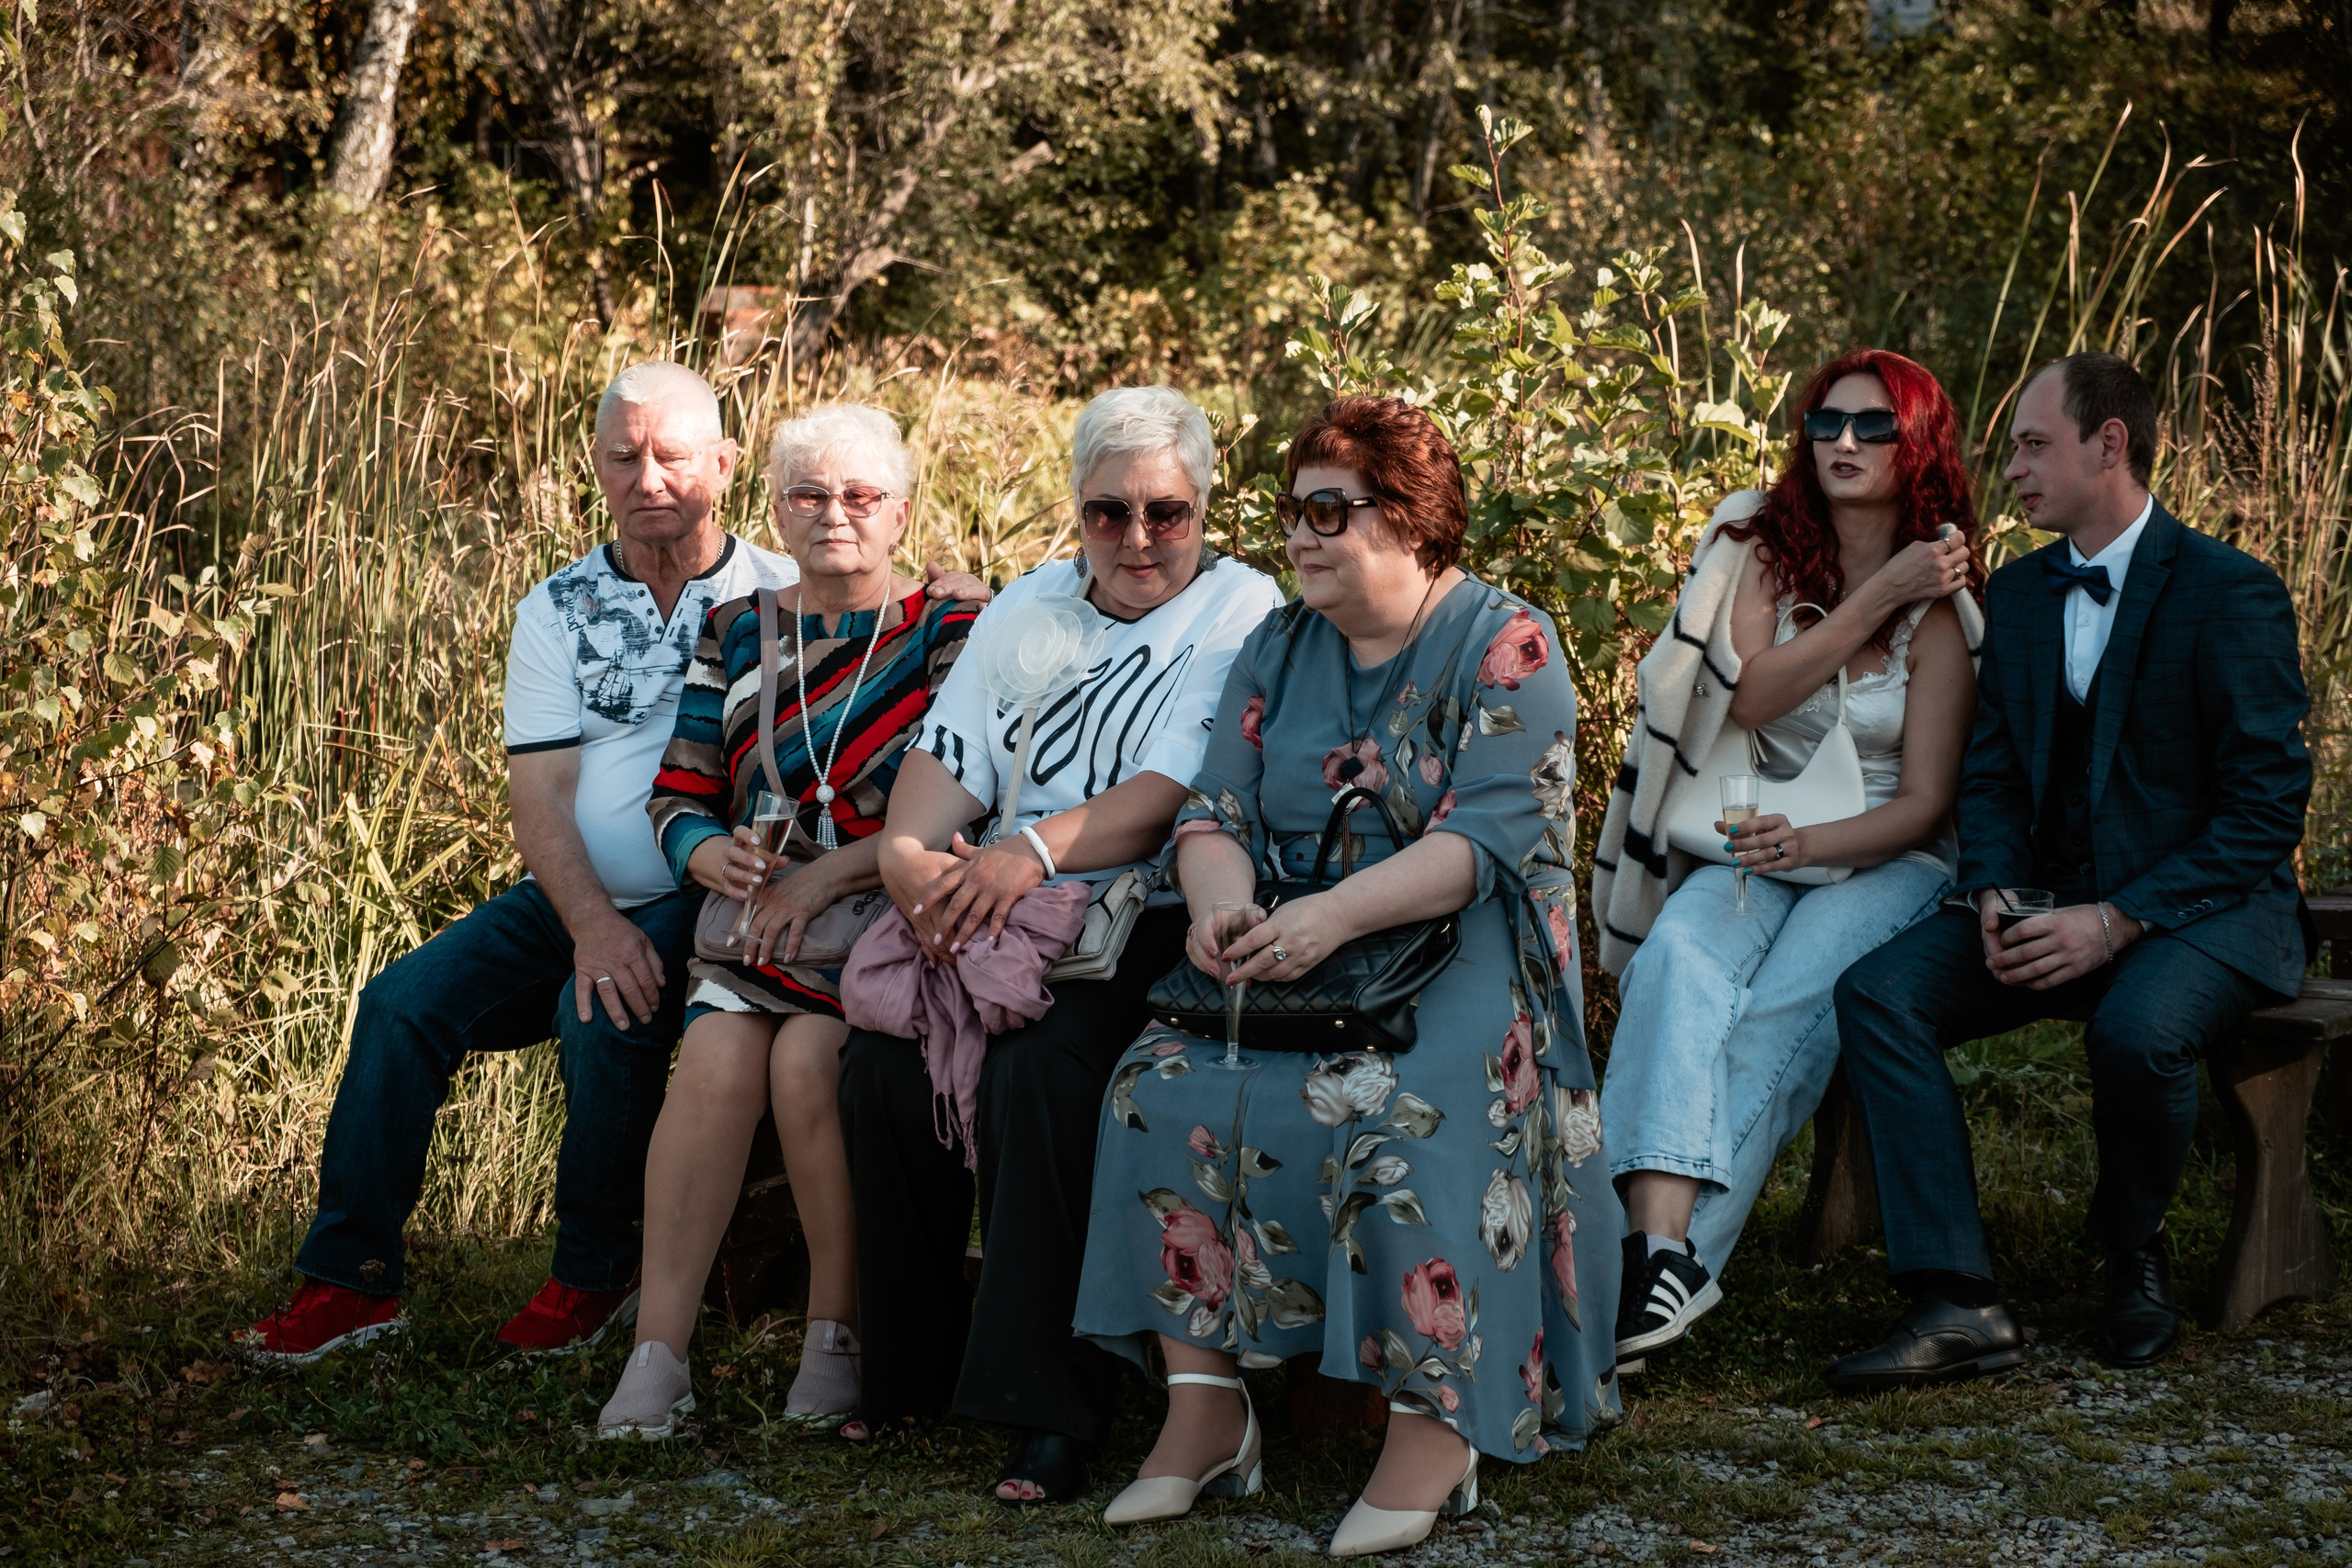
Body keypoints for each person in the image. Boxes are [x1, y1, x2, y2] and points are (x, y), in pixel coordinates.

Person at [234, 364, 982, 1364]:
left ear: (722, 467)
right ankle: (350, 1282)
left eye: (673, 457)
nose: (650, 480)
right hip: (576, 892)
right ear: (596, 464)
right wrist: (589, 921)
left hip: (707, 891)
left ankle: (595, 1276)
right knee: (400, 1003)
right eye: (625, 458)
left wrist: (961, 586)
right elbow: (539, 797)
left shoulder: (777, 581)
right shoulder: (559, 606)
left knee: (603, 1011)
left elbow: (881, 583)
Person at [1071, 395, 1622, 1558]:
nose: (1302, 536)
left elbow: (1479, 843)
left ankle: (1438, 1419)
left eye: (1331, 510)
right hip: (1290, 943)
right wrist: (1223, 913)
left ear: (1412, 521)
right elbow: (1212, 811)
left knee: (1402, 1112)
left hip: (1457, 945)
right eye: (1293, 511)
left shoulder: (1504, 640)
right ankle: (1204, 1408)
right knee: (1152, 1080)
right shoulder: (1277, 644)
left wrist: (1324, 918)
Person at [1827, 351, 2310, 1390]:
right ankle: (1957, 1298)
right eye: (2011, 449)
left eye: (2032, 445)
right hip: (2048, 899)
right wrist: (1996, 889)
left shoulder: (2231, 591)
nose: (2010, 470)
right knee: (1877, 995)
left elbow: (2266, 811)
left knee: (2136, 1034)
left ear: (2110, 444)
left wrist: (2121, 918)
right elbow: (1991, 772)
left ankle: (2131, 1255)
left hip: (2204, 912)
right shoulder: (2026, 592)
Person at [838, 385, 1283, 1503]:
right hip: (1003, 902)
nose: (1138, 539)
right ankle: (909, 1371)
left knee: (1044, 1073)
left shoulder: (1242, 609)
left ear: (1204, 506)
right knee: (883, 1066)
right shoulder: (1029, 602)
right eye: (1108, 513)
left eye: (1166, 513)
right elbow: (950, 759)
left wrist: (1027, 852)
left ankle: (1053, 1410)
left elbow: (1176, 787)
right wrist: (904, 854)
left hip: (1147, 907)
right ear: (1075, 509)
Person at [1587, 350, 1983, 1372]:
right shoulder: (1762, 548)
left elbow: (1926, 804)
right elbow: (1746, 697)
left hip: (1884, 858)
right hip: (1758, 835)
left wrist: (1809, 844)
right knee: (1678, 962)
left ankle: (1640, 1289)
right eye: (1824, 424)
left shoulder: (1942, 604)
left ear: (1918, 443)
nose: (1842, 443)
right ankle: (1659, 1261)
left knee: (1780, 1014)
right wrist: (1871, 594)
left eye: (1872, 427)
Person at [594, 406, 983, 1438]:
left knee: (811, 1065)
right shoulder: (737, 629)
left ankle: (835, 1333)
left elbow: (967, 801)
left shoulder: (951, 631)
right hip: (751, 922)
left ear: (899, 512)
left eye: (859, 497)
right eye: (808, 496)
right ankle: (658, 1351)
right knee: (715, 1062)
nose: (834, 516)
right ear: (776, 506)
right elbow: (680, 786)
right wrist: (702, 851)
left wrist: (829, 876)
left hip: (883, 923)